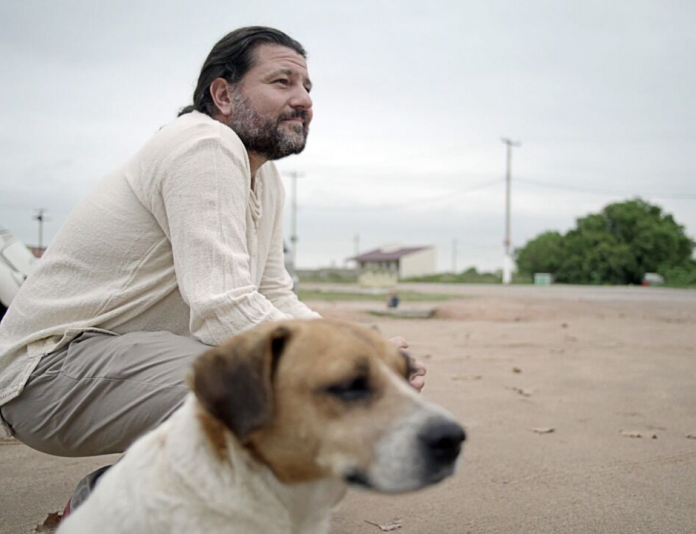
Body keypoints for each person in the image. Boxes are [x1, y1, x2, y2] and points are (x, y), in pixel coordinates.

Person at [0, 26, 425, 510]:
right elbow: (221, 308)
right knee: (273, 402)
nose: (304, 99)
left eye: (308, 87)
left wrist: (360, 355)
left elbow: (273, 294)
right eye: (283, 82)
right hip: (46, 371)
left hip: (106, 363)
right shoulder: (204, 144)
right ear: (223, 94)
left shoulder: (263, 180)